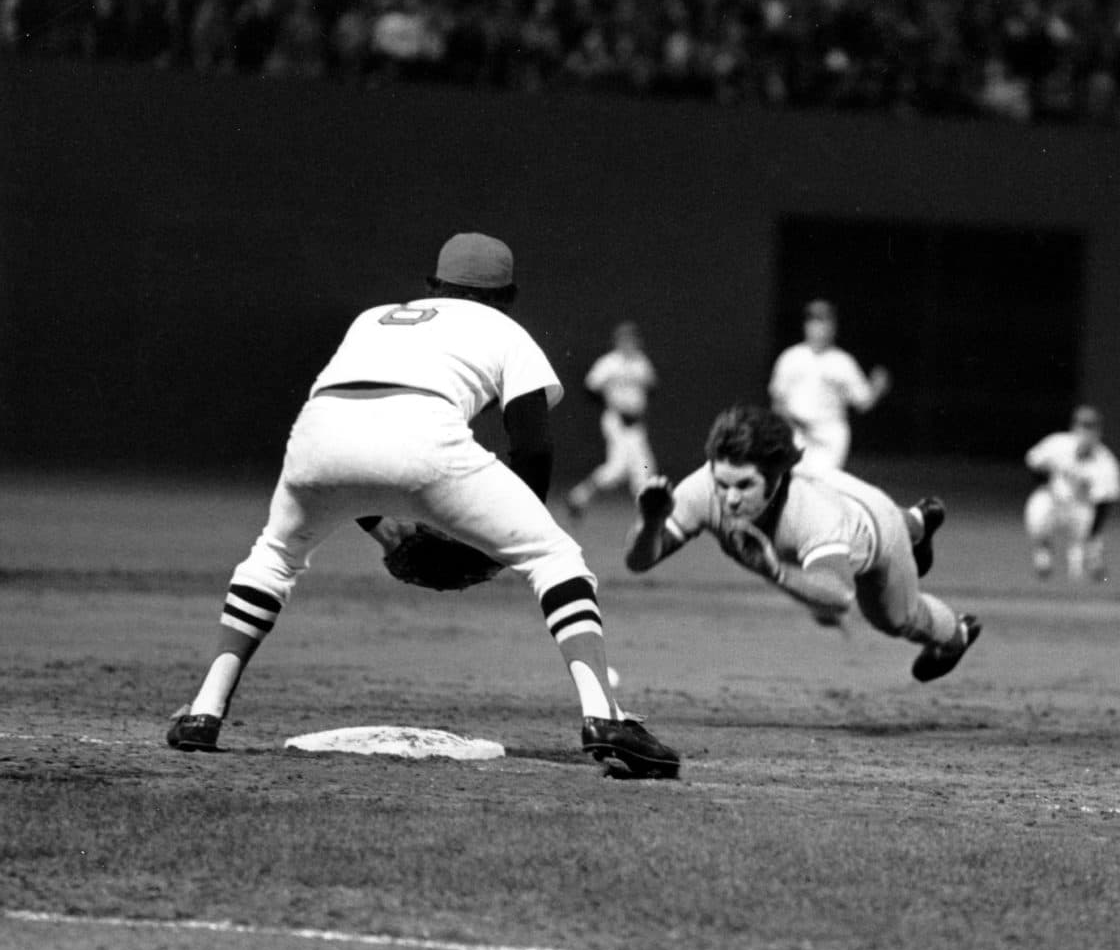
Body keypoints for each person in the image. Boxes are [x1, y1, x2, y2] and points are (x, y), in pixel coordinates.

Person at [166, 233, 680, 779]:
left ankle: (203, 710)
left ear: (432, 286)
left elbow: (349, 431)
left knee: (273, 556)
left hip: (315, 440)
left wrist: (385, 530)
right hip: (425, 443)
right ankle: (603, 717)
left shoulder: (372, 319)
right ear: (508, 295)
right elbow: (533, 446)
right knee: (557, 557)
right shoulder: (506, 329)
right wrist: (504, 550)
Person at [624, 404, 978, 683]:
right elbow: (639, 562)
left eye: (744, 486)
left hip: (877, 535)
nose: (729, 499)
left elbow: (839, 596)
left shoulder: (811, 514)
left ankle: (956, 635)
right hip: (847, 502)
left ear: (775, 478)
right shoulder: (703, 489)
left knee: (897, 619)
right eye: (722, 483)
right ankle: (917, 520)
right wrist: (651, 524)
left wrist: (777, 572)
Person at [767, 299, 890, 472]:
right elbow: (777, 400)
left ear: (833, 327)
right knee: (795, 483)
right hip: (797, 431)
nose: (818, 328)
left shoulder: (843, 362)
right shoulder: (791, 357)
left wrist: (877, 388)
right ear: (806, 326)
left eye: (823, 321)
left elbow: (863, 402)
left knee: (824, 484)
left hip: (829, 434)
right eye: (813, 321)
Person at [564, 320, 660, 519]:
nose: (629, 343)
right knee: (636, 468)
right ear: (617, 342)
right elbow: (590, 387)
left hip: (636, 424)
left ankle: (578, 497)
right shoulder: (609, 363)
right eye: (625, 339)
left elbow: (652, 386)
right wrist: (613, 403)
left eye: (632, 339)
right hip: (616, 421)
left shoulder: (641, 363)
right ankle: (648, 513)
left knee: (628, 468)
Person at [1023, 405, 1120, 582]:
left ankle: (1088, 561)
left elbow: (1105, 504)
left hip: (1080, 510)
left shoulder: (1106, 462)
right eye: (1083, 425)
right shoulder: (1057, 444)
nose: (1086, 431)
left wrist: (1094, 535)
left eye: (1091, 426)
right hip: (1054, 501)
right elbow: (1033, 462)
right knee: (1038, 505)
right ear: (1074, 426)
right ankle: (1043, 555)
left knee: (1082, 569)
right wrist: (1047, 482)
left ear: (1099, 431)